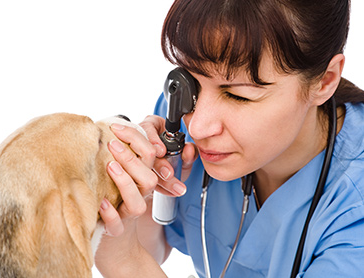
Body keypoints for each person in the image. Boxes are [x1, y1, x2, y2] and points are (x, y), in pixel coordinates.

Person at [95, 0, 364, 277]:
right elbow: (153, 248)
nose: (198, 127)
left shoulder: (356, 210)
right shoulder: (178, 123)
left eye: (238, 95)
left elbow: (134, 260)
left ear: (325, 81)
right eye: (192, 81)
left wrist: (122, 260)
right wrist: (144, 190)